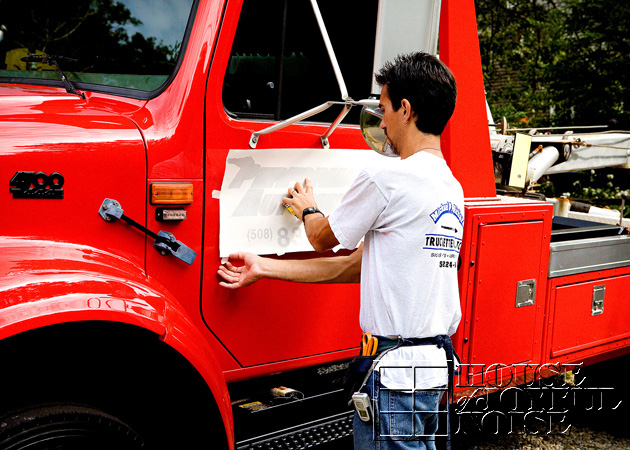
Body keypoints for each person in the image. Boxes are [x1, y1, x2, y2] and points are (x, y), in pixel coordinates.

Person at [218, 52, 463, 450]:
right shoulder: (451, 187)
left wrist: (307, 207)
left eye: (383, 109)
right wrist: (263, 266)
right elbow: (354, 266)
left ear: (406, 109)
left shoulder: (388, 178)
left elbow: (322, 238)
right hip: (433, 372)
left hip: (394, 377)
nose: (381, 123)